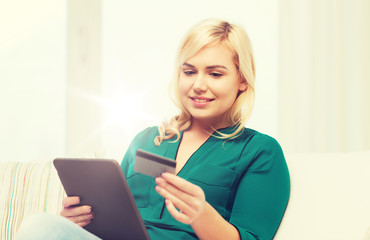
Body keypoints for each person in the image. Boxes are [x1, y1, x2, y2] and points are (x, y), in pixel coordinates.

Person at [16, 18, 290, 240]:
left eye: (215, 73)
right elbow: (113, 219)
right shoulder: (148, 140)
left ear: (242, 79)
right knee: (43, 228)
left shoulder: (260, 152)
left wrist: (200, 214)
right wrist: (77, 222)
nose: (198, 85)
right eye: (189, 71)